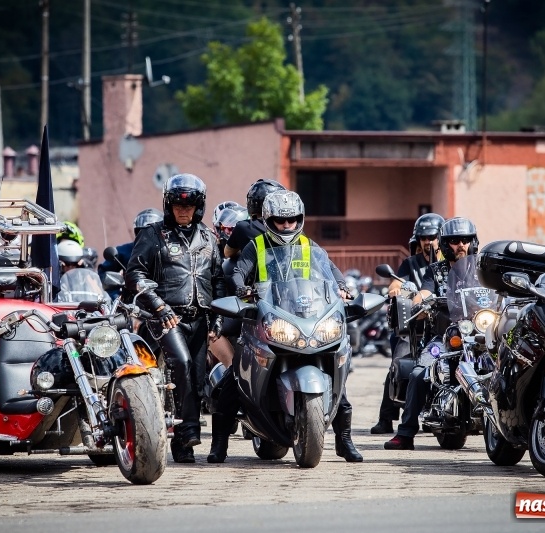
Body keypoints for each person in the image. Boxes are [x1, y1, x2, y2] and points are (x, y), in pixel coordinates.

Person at [208, 190, 363, 464]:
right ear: (269, 219)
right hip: (263, 317)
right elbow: (236, 272)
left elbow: (331, 272)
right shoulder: (255, 246)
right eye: (281, 220)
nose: (287, 225)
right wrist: (242, 290)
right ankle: (218, 444)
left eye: (292, 219)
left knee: (339, 383)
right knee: (235, 379)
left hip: (305, 317)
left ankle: (344, 440)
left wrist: (342, 288)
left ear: (300, 219)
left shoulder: (311, 247)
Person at [125, 174, 225, 464]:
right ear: (168, 205)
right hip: (166, 318)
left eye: (190, 206)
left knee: (196, 376)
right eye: (178, 206)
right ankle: (191, 429)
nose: (184, 210)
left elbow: (217, 279)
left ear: (199, 207)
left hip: (200, 317)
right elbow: (135, 275)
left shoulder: (208, 237)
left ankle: (184, 445)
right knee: (180, 364)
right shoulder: (153, 234)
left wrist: (217, 318)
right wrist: (159, 307)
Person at [384, 216, 479, 450]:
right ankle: (405, 434)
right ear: (446, 244)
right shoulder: (435, 271)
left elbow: (498, 291)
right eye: (455, 241)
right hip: (444, 339)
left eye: (465, 240)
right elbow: (424, 293)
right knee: (418, 373)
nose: (461, 245)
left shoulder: (482, 269)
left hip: (479, 337)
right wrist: (420, 303)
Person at [370, 213, 445, 435]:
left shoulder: (448, 265)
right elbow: (395, 286)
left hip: (444, 325)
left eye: (432, 236)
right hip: (414, 326)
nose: (427, 241)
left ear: (441, 238)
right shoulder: (410, 263)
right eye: (423, 237)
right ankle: (386, 418)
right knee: (399, 363)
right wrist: (400, 290)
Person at [223, 178, 285, 259]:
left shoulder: (243, 227)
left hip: (258, 271)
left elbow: (228, 253)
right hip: (291, 270)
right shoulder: (292, 226)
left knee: (228, 264)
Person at [55, 239, 110, 305]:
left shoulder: (86, 278)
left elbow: (100, 294)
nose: (70, 268)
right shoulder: (55, 279)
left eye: (74, 264)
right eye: (67, 264)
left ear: (79, 262)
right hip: (63, 311)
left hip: (86, 311)